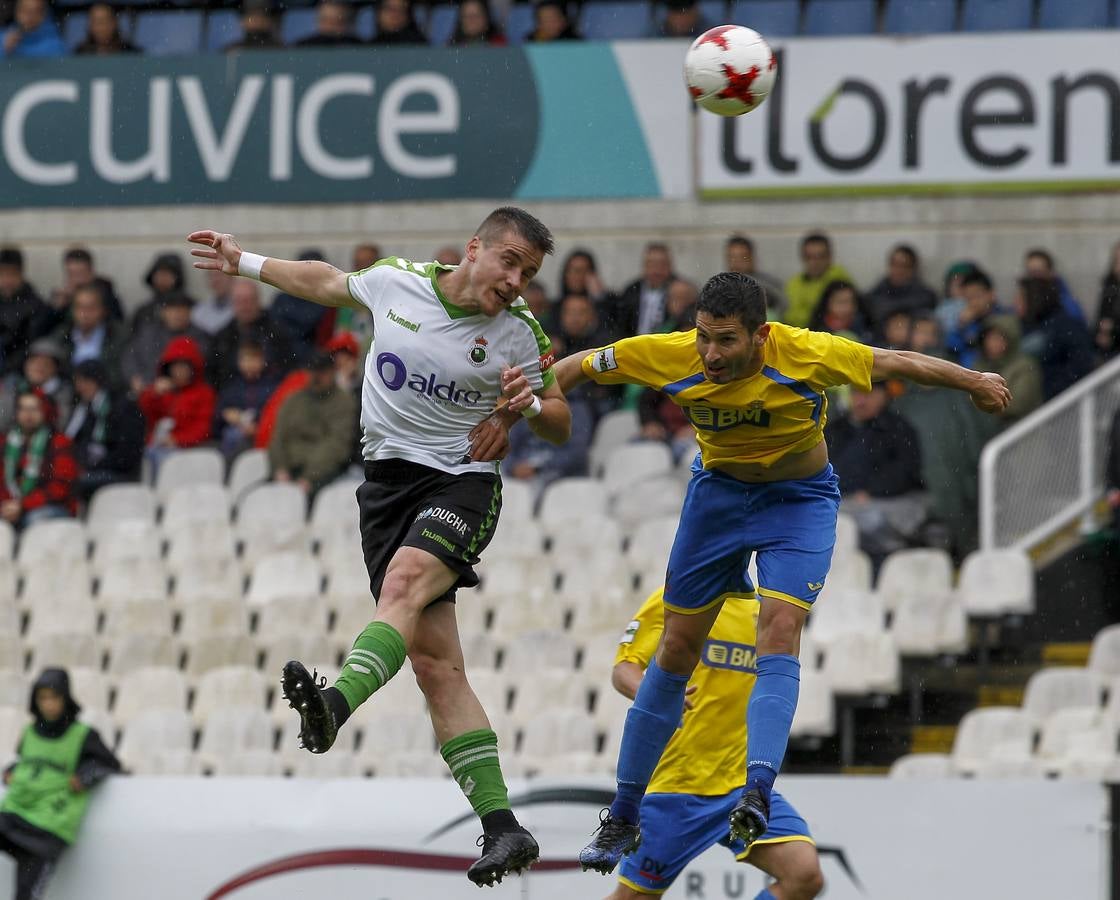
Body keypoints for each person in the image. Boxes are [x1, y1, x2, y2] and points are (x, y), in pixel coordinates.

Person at [550, 272, 1010, 873]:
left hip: (798, 503)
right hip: (717, 500)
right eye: (704, 337)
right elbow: (581, 365)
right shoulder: (670, 354)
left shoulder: (808, 351)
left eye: (726, 341)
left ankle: (757, 791)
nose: (710, 355)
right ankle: (624, 814)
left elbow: (897, 359)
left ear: (761, 335)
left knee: (779, 631)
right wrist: (525, 406)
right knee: (677, 650)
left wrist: (975, 381)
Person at [186, 206, 571, 886]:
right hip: (386, 488)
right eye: (509, 263)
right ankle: (503, 826)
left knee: (403, 585)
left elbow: (562, 420)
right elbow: (326, 282)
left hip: (461, 486)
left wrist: (528, 407)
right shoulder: (398, 283)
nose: (517, 281)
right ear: (474, 249)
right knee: (437, 668)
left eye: (530, 274)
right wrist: (245, 262)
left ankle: (334, 707)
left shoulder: (520, 335)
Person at [607, 586, 823, 900]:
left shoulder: (765, 614)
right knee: (634, 897)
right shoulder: (678, 598)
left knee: (804, 875)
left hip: (740, 788)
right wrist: (658, 696)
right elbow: (623, 669)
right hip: (677, 787)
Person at [1, 668, 121, 900]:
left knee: (26, 895)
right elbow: (27, 764)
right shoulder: (29, 732)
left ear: (66, 698)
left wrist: (85, 777)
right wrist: (10, 772)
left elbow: (110, 763)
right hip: (16, 813)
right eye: (42, 698)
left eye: (54, 697)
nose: (49, 704)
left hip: (48, 829)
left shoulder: (83, 735)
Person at [825, 383, 926, 561]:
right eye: (856, 393)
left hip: (887, 506)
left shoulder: (899, 429)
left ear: (884, 396)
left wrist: (871, 492)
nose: (861, 400)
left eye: (869, 394)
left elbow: (905, 472)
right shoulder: (835, 428)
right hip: (842, 503)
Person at [267, 350, 355, 494]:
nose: (316, 376)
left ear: (332, 372)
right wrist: (280, 469)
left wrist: (309, 477)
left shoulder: (344, 402)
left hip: (322, 474)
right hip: (287, 472)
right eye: (313, 371)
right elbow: (278, 438)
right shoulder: (293, 400)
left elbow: (337, 444)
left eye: (322, 371)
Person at [64, 359, 145, 500]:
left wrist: (94, 466)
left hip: (119, 473)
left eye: (83, 382)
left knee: (73, 485)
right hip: (91, 469)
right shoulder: (83, 410)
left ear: (96, 381)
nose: (79, 388)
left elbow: (127, 453)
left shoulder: (123, 407)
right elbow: (77, 442)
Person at [0, 390, 79, 529]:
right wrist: (7, 506)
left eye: (34, 409)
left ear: (46, 412)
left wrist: (22, 505)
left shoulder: (60, 442)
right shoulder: (6, 443)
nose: (28, 414)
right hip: (10, 507)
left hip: (49, 508)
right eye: (23, 408)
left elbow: (60, 488)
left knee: (34, 520)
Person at [137, 336, 216, 472]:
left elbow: (203, 428)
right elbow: (144, 414)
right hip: (156, 447)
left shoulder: (204, 393)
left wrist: (177, 440)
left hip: (186, 450)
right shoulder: (161, 390)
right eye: (175, 366)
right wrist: (153, 394)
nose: (179, 371)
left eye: (183, 366)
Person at [1015, 276, 1095, 400]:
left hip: (1060, 403)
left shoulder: (1066, 327)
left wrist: (1049, 388)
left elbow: (1082, 364)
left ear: (1034, 298)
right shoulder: (1022, 326)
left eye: (1021, 297)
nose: (1015, 302)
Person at [207, 279, 294, 388]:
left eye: (249, 300)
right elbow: (215, 374)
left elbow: (287, 368)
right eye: (239, 301)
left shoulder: (277, 332)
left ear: (258, 300)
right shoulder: (222, 337)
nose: (245, 306)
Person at [121, 292, 210, 394]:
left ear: (190, 312)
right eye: (172, 309)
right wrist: (134, 377)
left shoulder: (200, 337)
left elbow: (197, 369)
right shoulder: (148, 333)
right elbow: (129, 357)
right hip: (146, 390)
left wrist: (172, 383)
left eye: (182, 309)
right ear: (163, 312)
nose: (177, 314)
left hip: (183, 394)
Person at [973, 315, 1043, 426]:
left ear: (1010, 339)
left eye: (998, 338)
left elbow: (1019, 403)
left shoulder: (1024, 366)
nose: (992, 344)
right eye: (989, 338)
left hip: (1027, 429)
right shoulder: (980, 367)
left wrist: (987, 406)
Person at [214, 341, 279, 460]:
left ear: (263, 361)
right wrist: (226, 415)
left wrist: (257, 425)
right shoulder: (232, 387)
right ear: (239, 362)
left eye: (254, 359)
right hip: (235, 434)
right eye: (246, 359)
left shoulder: (272, 387)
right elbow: (219, 414)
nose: (250, 364)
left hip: (262, 434)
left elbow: (274, 412)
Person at [50, 283, 127, 380]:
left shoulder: (119, 335)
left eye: (91, 308)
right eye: (79, 307)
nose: (84, 313)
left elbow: (120, 373)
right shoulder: (61, 335)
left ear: (103, 310)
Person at [606, 243, 676, 340]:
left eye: (662, 264)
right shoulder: (631, 291)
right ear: (644, 266)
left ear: (670, 266)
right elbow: (620, 323)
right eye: (652, 264)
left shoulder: (680, 290)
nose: (656, 270)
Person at [783, 233, 853, 329]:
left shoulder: (839, 280)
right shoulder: (793, 284)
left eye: (820, 257)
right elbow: (788, 316)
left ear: (829, 257)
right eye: (809, 257)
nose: (814, 262)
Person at [865, 244, 938, 335]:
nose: (898, 270)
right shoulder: (876, 294)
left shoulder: (925, 295)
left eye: (904, 266)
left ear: (913, 268)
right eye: (894, 265)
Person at [0, 246, 49, 378]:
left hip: (16, 373)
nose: (7, 280)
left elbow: (29, 346)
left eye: (12, 274)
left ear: (21, 274)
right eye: (3, 274)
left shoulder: (35, 306)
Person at [46, 246, 125, 326]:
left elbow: (115, 324)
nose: (76, 280)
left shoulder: (107, 297)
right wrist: (57, 309)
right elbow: (45, 329)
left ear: (91, 273)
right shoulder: (61, 297)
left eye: (80, 274)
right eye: (71, 274)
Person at [944, 269, 1005, 369]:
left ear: (991, 294)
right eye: (968, 298)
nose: (973, 302)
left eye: (977, 296)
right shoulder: (967, 321)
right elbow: (952, 347)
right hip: (968, 373)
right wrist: (961, 325)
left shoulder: (1003, 318)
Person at [725, 235, 786, 320]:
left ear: (752, 257)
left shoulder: (769, 287)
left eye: (742, 257)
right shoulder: (720, 288)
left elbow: (783, 309)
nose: (737, 263)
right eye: (732, 258)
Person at [1023, 248, 1086, 325]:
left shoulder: (1063, 299)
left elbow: (1076, 320)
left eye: (1038, 271)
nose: (1034, 277)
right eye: (1030, 272)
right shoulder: (1023, 294)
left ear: (1050, 272)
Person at [806, 280, 872, 343]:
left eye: (852, 302)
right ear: (828, 303)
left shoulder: (866, 327)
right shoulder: (816, 332)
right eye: (841, 302)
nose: (848, 307)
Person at [74, 3, 139, 54]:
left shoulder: (132, 53)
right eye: (97, 22)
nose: (101, 28)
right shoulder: (79, 54)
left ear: (114, 23)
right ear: (89, 26)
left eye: (105, 21)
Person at [1094, 241, 1120, 363]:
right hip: (1109, 349)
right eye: (1116, 261)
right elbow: (1101, 317)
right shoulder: (1110, 286)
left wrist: (1113, 328)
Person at [295, 0, 363, 46]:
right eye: (327, 21)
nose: (332, 27)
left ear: (352, 23)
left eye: (339, 22)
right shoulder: (304, 47)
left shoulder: (362, 48)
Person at [192, 269, 236, 336]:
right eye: (212, 276)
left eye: (220, 275)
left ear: (232, 279)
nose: (216, 280)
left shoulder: (242, 308)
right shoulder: (198, 311)